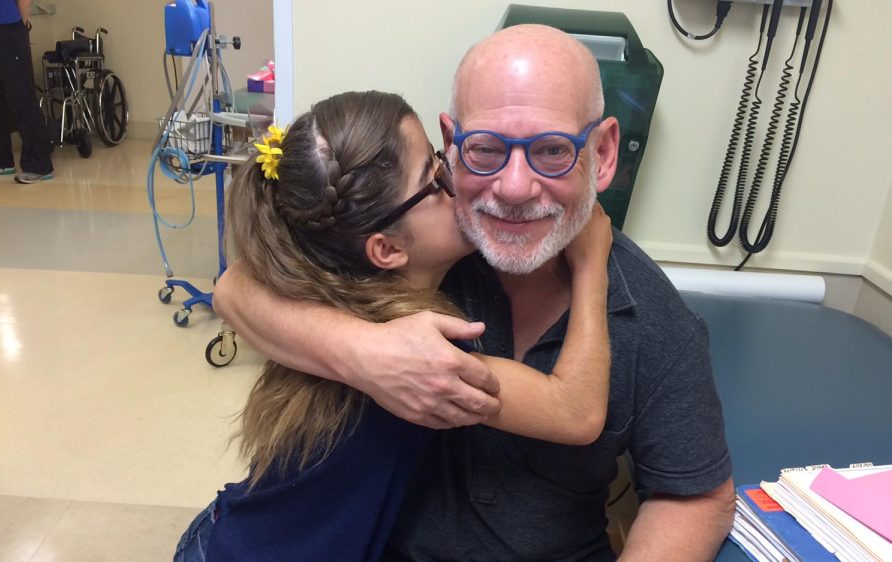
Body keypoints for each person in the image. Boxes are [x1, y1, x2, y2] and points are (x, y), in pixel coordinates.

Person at [215, 25, 735, 561]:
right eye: (484, 150)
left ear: (601, 153)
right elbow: (235, 288)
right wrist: (362, 353)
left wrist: (593, 274)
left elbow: (696, 496)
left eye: (552, 150)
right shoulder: (410, 292)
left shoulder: (652, 315)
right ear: (451, 146)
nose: (512, 188)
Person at [175, 90, 614, 561]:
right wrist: (591, 266)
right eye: (435, 177)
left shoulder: (328, 285)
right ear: (386, 249)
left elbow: (234, 283)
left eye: (441, 158)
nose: (459, 179)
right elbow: (576, 413)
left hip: (233, 529)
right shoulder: (420, 352)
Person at [0, 0, 54, 184]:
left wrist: (21, 25)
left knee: (21, 95)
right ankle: (0, 160)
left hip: (9, 27)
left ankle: (39, 164)